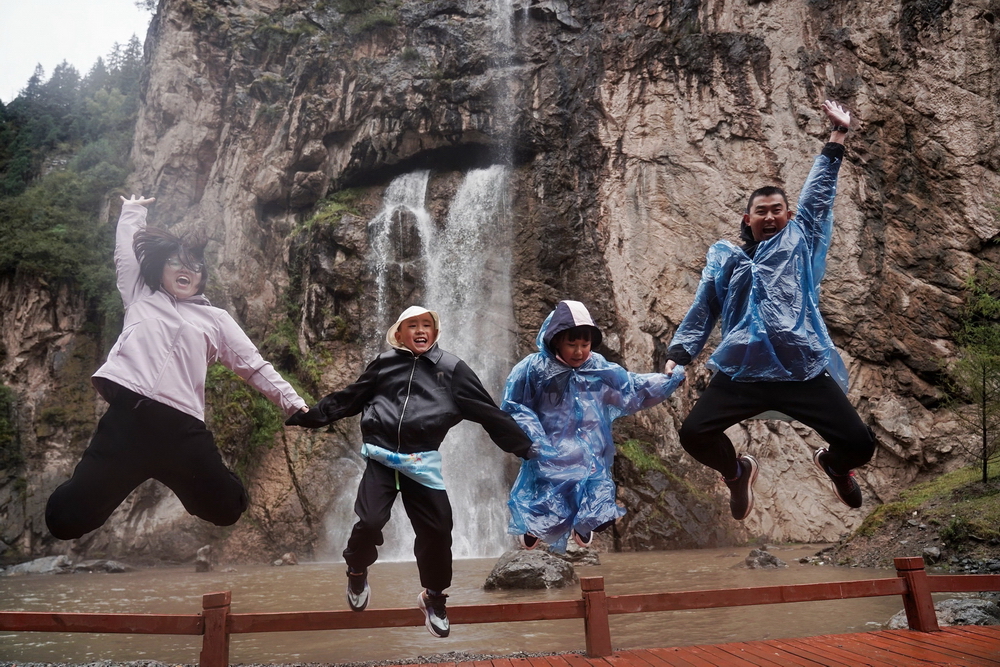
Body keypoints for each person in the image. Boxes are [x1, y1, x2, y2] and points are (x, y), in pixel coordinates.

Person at [46, 195, 308, 541]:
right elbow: (125, 253)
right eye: (176, 263)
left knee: (228, 508)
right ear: (160, 269)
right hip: (129, 422)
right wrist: (133, 211)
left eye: (195, 266)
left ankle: (211, 476)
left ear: (202, 279)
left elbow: (254, 367)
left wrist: (294, 404)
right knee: (65, 520)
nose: (186, 269)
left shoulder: (216, 320)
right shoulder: (140, 294)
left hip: (182, 430)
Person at [663, 100, 876, 521]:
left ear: (789, 215)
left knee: (861, 443)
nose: (770, 216)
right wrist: (679, 353)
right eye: (761, 211)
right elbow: (704, 307)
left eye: (777, 209)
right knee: (694, 434)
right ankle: (736, 472)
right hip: (742, 371)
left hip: (800, 368)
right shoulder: (726, 259)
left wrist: (837, 136)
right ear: (748, 219)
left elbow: (818, 196)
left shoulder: (800, 241)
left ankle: (835, 466)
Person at [286, 305, 531, 638]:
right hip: (381, 459)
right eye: (412, 325)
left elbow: (489, 412)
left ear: (435, 332)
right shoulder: (384, 364)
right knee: (370, 521)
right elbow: (349, 398)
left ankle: (434, 597)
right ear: (399, 334)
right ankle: (356, 569)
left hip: (422, 463)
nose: (420, 330)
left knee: (438, 531)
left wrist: (525, 447)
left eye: (426, 325)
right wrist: (311, 415)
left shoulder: (452, 369)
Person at [502, 300, 685, 552]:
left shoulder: (597, 367)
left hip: (591, 452)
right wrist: (534, 438)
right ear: (556, 341)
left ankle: (584, 522)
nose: (579, 352)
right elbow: (515, 405)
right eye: (572, 345)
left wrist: (667, 381)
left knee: (598, 502)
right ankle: (535, 525)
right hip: (551, 451)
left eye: (584, 345)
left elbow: (630, 387)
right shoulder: (534, 369)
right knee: (549, 501)